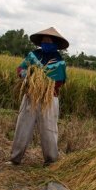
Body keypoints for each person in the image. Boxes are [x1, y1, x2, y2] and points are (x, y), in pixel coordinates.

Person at [10, 27, 68, 165]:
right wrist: (25, 74)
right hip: (30, 96)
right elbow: (20, 68)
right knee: (23, 126)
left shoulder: (59, 61)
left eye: (49, 41)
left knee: (49, 130)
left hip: (48, 99)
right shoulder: (33, 55)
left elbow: (60, 81)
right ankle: (15, 158)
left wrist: (44, 85)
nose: (46, 43)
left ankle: (51, 161)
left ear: (55, 44)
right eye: (44, 40)